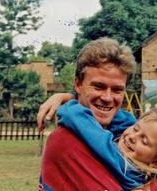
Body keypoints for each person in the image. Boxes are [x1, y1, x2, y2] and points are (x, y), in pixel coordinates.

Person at [39, 38, 139, 191]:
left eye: (117, 90)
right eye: (98, 87)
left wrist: (69, 98)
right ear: (78, 85)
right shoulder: (64, 141)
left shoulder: (127, 134)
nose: (107, 98)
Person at [55, 99, 157, 191]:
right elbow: (117, 118)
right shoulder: (142, 174)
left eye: (144, 141)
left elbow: (71, 114)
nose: (132, 137)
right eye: (135, 128)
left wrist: (72, 99)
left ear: (156, 163)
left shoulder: (123, 166)